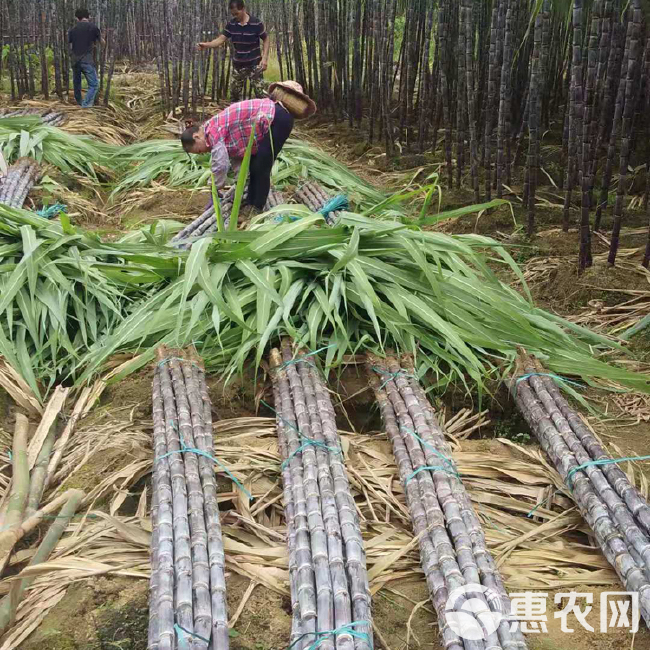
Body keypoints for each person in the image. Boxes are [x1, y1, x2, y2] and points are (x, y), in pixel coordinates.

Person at [181, 82, 316, 222]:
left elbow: (220, 165)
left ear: (196, 137)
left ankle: (256, 207)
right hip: (274, 120)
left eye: (198, 150)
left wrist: (214, 190)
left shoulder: (213, 133)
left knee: (261, 166)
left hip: (277, 119)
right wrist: (239, 182)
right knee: (254, 166)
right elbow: (238, 160)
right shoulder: (213, 130)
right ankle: (250, 201)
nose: (202, 153)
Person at [198, 0, 270, 102]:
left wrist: (265, 58)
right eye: (233, 14)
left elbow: (266, 39)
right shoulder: (231, 25)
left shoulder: (256, 23)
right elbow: (220, 39)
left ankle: (266, 115)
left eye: (237, 13)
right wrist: (206, 45)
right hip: (239, 65)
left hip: (255, 65)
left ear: (243, 9)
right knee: (234, 95)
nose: (235, 16)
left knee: (261, 94)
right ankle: (237, 116)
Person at [68, 8, 102, 108]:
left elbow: (69, 42)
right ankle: (85, 106)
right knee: (94, 84)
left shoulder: (73, 29)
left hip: (75, 60)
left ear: (76, 18)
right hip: (86, 60)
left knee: (77, 84)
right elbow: (101, 42)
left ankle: (79, 103)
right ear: (88, 16)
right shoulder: (93, 27)